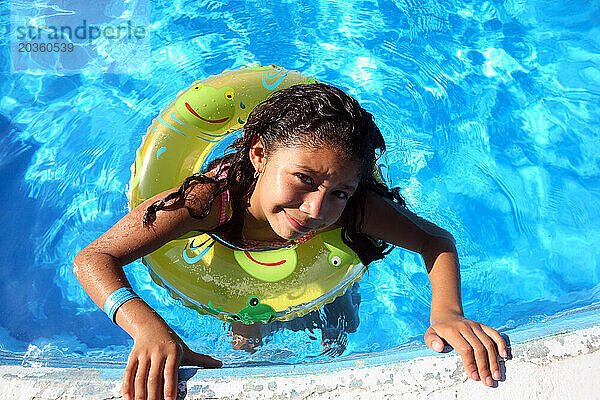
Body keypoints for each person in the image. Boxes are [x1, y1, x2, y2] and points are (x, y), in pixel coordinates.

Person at [74, 82, 508, 400]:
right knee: (245, 341)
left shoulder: (354, 209)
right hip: (234, 278)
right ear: (259, 155)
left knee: (338, 333)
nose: (317, 209)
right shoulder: (208, 202)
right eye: (303, 178)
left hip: (324, 274)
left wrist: (447, 312)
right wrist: (148, 329)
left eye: (339, 191)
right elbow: (94, 257)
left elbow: (435, 239)